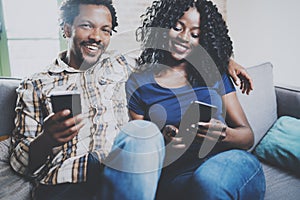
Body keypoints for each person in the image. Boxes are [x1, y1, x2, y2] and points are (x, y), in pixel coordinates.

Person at [9, 0, 165, 199]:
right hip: (64, 184)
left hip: (121, 174)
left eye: (105, 30)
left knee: (145, 132)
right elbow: (19, 164)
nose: (96, 37)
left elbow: (169, 61)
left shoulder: (124, 65)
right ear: (66, 29)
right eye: (87, 25)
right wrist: (47, 139)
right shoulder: (36, 84)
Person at [126, 0, 265, 199]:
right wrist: (163, 139)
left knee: (208, 181)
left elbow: (247, 137)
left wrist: (223, 134)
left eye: (195, 34)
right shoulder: (139, 82)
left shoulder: (214, 72)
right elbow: (140, 151)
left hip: (229, 162)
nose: (184, 38)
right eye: (177, 27)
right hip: (178, 173)